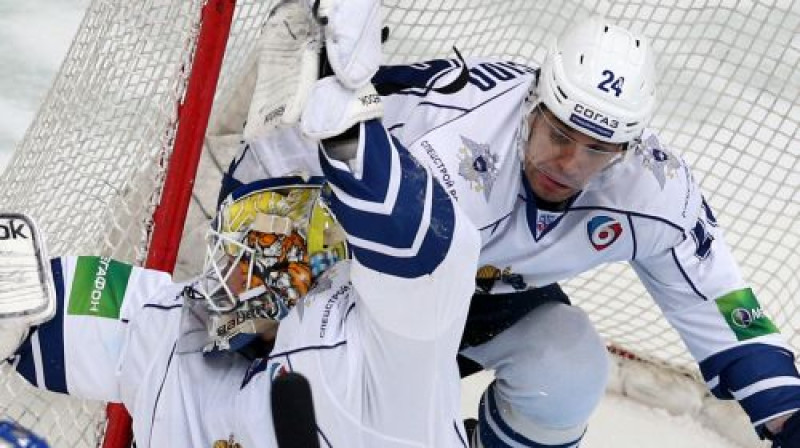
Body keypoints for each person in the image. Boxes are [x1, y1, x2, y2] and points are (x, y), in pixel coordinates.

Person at [225, 7, 800, 447]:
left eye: (598, 149)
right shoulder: (452, 148)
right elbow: (354, 255)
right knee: (278, 387)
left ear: (628, 147)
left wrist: (789, 418)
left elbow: (720, 302)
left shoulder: (652, 187)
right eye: (560, 135)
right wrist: (275, 324)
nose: (570, 164)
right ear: (534, 104)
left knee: (570, 366)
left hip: (465, 286)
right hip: (327, 247)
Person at [0, 2, 481, 447]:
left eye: (250, 249)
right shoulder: (180, 338)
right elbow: (54, 311)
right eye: (231, 246)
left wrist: (353, 137)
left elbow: (430, 254)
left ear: (298, 277)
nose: (224, 265)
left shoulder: (388, 365)